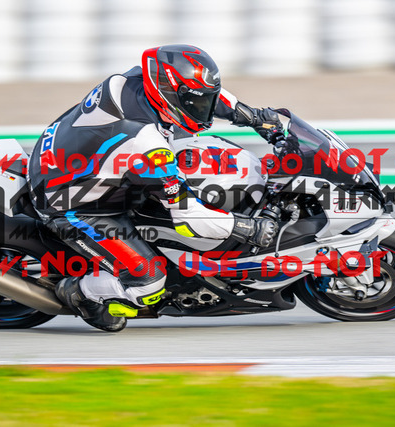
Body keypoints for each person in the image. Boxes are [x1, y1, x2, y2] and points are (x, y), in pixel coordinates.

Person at [27, 44, 283, 332]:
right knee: (149, 282)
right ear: (168, 94)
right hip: (71, 204)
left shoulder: (136, 80)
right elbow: (190, 219)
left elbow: (204, 94)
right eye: (196, 104)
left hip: (61, 158)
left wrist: (254, 117)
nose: (203, 110)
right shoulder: (146, 144)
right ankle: (80, 293)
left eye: (204, 101)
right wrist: (248, 229)